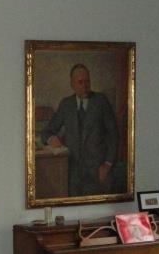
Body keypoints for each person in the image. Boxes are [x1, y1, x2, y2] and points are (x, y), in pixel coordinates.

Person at [40, 63, 118, 196]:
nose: (85, 86)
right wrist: (51, 139)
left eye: (87, 81)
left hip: (98, 172)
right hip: (72, 174)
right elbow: (46, 132)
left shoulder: (101, 101)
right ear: (72, 84)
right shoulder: (66, 104)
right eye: (80, 82)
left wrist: (107, 164)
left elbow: (114, 135)